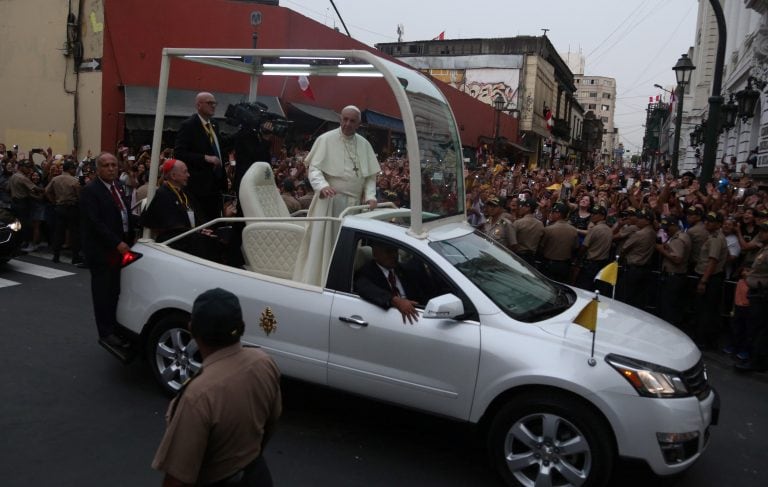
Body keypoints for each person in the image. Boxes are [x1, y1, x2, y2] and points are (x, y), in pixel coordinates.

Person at [152, 288, 282, 486]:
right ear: (243, 327)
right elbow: (271, 422)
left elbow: (177, 477)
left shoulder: (197, 395)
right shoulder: (264, 362)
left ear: (192, 330)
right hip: (257, 475)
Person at [294, 106, 381, 285]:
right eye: (345, 119)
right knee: (324, 246)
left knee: (346, 249)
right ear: (340, 118)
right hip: (329, 203)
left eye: (352, 121)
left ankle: (339, 284)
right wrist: (323, 186)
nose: (347, 124)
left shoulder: (364, 144)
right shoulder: (325, 139)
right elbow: (315, 169)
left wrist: (371, 196)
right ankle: (317, 281)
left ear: (359, 123)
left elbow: (370, 176)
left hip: (352, 207)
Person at [79, 152, 133, 349]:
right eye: (106, 165)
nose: (111, 168)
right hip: (102, 251)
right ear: (97, 169)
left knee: (115, 291)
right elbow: (95, 223)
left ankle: (115, 327)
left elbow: (124, 214)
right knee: (103, 293)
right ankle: (106, 332)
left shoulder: (117, 186)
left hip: (119, 248)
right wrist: (116, 242)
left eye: (114, 165)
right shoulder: (90, 191)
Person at [175, 92, 228, 224]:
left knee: (215, 223)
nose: (213, 106)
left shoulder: (214, 124)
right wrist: (205, 158)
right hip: (198, 187)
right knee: (203, 225)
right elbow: (180, 153)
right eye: (210, 103)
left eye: (215, 103)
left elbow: (219, 146)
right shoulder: (189, 125)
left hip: (216, 186)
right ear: (199, 105)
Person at [354, 242, 430, 324]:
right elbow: (364, 287)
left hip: (416, 317)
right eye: (389, 252)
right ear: (375, 254)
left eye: (396, 251)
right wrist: (394, 300)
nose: (394, 255)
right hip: (386, 321)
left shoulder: (403, 270)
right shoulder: (366, 272)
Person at [693, 211, 729, 349]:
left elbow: (712, 261)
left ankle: (703, 340)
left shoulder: (715, 239)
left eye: (711, 221)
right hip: (709, 277)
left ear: (719, 224)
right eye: (706, 220)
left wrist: (703, 281)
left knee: (706, 311)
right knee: (704, 310)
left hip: (710, 279)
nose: (707, 223)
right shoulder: (713, 236)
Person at [45, 160, 83, 265]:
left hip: (59, 207)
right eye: (74, 168)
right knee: (74, 232)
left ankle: (56, 256)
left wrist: (53, 201)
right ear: (70, 168)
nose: (75, 170)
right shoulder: (74, 181)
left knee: (58, 232)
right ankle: (75, 257)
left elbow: (47, 191)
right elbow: (79, 196)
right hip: (72, 207)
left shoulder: (55, 179)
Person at [655, 215, 691, 327]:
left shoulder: (678, 239)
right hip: (676, 276)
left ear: (674, 226)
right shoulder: (680, 236)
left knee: (669, 308)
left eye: (667, 228)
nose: (665, 231)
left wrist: (662, 250)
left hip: (674, 277)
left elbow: (677, 259)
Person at [538, 201, 577, 283]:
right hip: (564, 266)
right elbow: (575, 248)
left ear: (558, 214)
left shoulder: (549, 229)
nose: (551, 214)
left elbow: (541, 247)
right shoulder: (573, 230)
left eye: (553, 212)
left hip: (549, 265)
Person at [509, 198, 543, 265]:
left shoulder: (518, 223)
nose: (520, 208)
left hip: (518, 257)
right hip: (531, 259)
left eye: (522, 206)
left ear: (528, 208)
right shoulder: (540, 224)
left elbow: (511, 242)